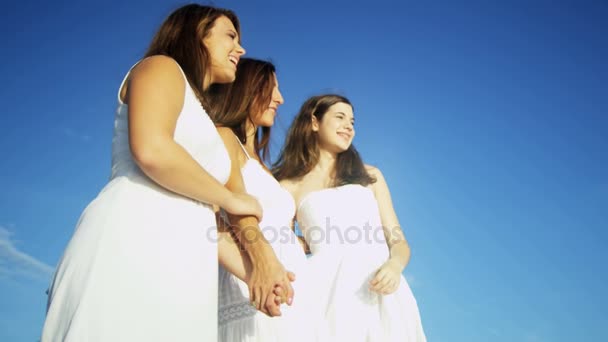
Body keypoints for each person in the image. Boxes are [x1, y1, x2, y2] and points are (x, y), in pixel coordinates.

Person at [41, 5, 274, 341]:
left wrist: (257, 276)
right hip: (134, 238)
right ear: (197, 35)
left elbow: (207, 216)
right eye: (230, 36)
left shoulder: (207, 125)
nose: (241, 49)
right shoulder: (161, 68)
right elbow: (152, 148)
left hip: (186, 263)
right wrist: (231, 198)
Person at [273, 94, 427, 341]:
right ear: (314, 122)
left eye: (352, 122)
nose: (349, 126)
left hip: (379, 289)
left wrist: (394, 266)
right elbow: (283, 245)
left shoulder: (370, 176)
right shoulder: (288, 186)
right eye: (340, 117)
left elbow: (398, 241)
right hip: (322, 293)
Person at [207, 58, 310, 341]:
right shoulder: (224, 138)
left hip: (288, 283)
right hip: (253, 278)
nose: (280, 98)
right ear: (245, 89)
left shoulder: (265, 166)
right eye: (271, 88)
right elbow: (219, 216)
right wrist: (258, 270)